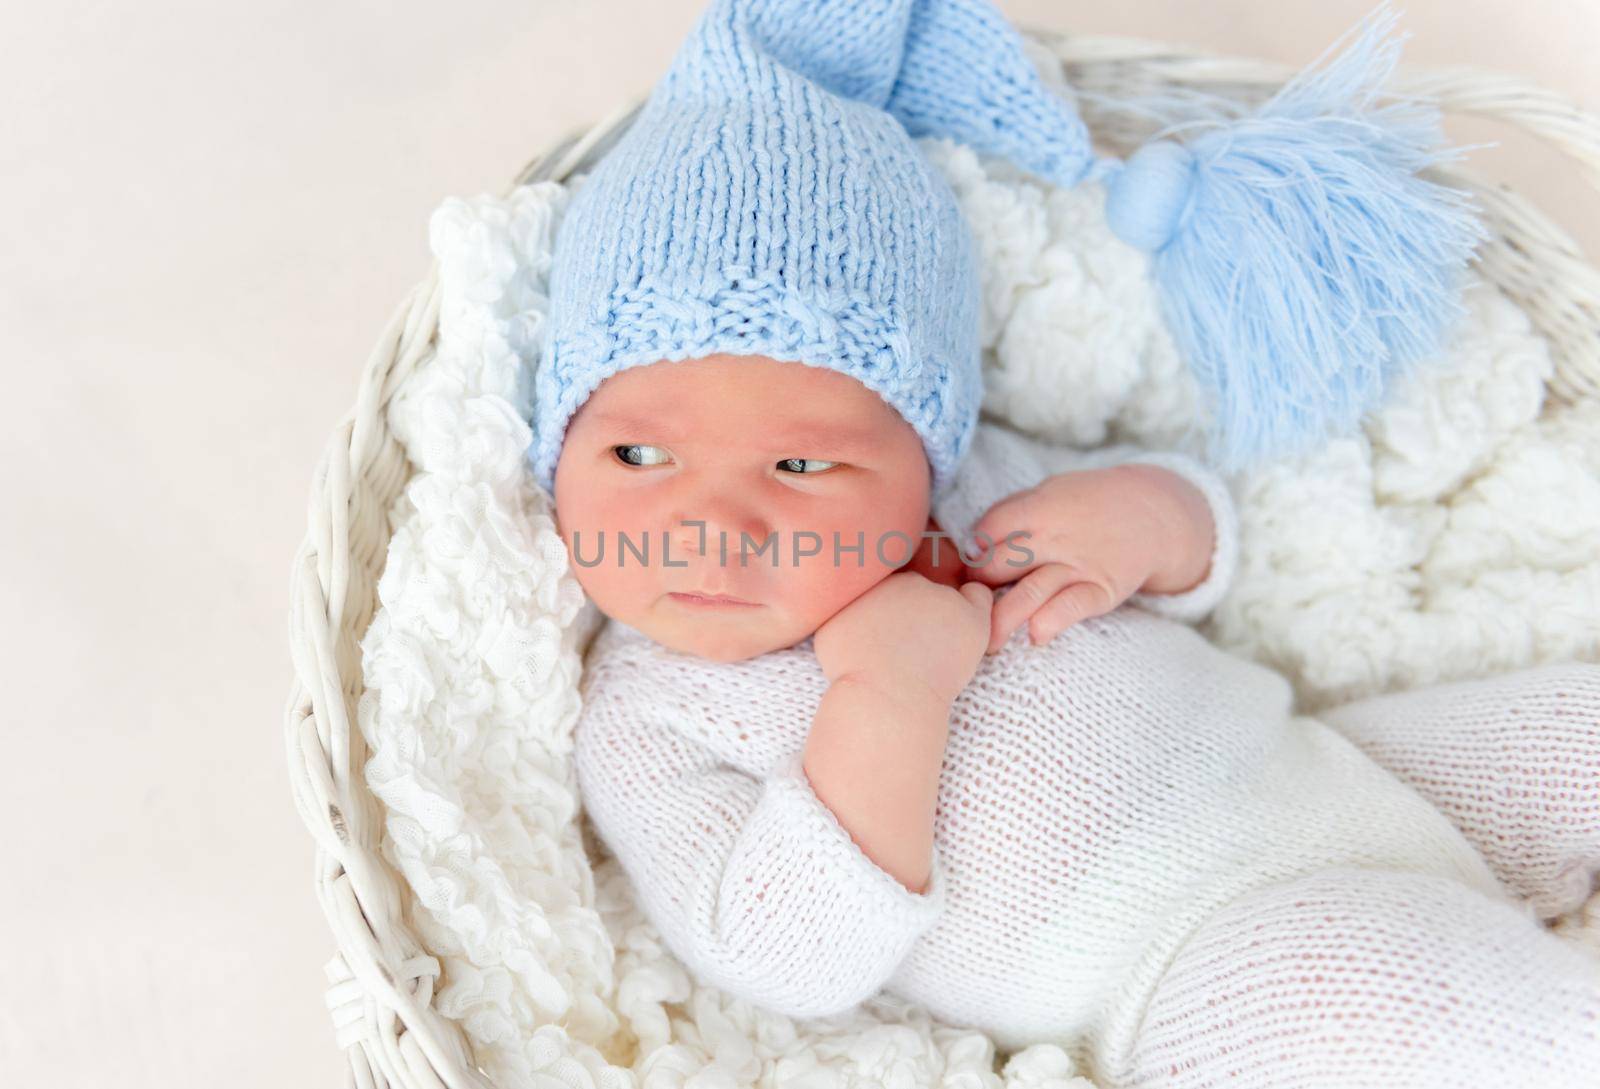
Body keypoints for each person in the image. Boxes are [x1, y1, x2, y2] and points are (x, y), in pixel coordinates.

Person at [526, 1, 1600, 1084]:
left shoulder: (976, 504)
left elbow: (1198, 553)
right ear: (558, 444)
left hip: (1335, 773)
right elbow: (779, 957)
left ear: (921, 455)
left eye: (800, 468)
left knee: (1577, 731)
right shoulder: (644, 715)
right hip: (1194, 962)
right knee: (1455, 1010)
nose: (709, 524)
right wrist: (888, 696)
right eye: (636, 460)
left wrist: (1146, 518)